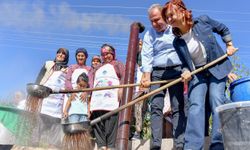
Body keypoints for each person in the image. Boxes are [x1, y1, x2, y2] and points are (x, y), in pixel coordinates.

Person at [161, 1, 238, 149]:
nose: (169, 20)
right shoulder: (177, 42)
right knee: (195, 105)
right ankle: (192, 146)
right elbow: (184, 64)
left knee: (216, 100)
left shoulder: (203, 21)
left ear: (182, 10)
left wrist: (229, 44)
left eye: (171, 15)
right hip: (198, 73)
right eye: (167, 18)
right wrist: (185, 72)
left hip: (217, 67)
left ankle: (217, 143)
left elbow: (222, 28)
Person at [140, 4, 187, 150]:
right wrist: (146, 76)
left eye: (157, 20)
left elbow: (186, 47)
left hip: (177, 71)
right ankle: (155, 145)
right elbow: (147, 55)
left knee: (177, 107)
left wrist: (186, 69)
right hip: (158, 73)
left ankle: (179, 144)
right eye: (151, 21)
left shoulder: (175, 28)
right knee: (155, 107)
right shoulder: (149, 34)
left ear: (165, 17)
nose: (154, 24)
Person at [89, 43, 125, 150]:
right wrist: (89, 100)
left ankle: (110, 146)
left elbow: (124, 77)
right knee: (98, 125)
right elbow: (91, 83)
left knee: (111, 124)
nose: (106, 56)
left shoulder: (118, 64)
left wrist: (121, 88)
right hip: (97, 100)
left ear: (113, 54)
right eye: (103, 54)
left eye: (108, 54)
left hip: (111, 99)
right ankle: (101, 146)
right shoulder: (97, 68)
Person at [35, 48, 69, 119]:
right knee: (39, 115)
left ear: (66, 57)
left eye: (63, 54)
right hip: (44, 94)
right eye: (59, 53)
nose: (60, 54)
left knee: (53, 118)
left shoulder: (68, 70)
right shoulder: (48, 64)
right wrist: (36, 88)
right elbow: (40, 77)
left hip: (57, 99)